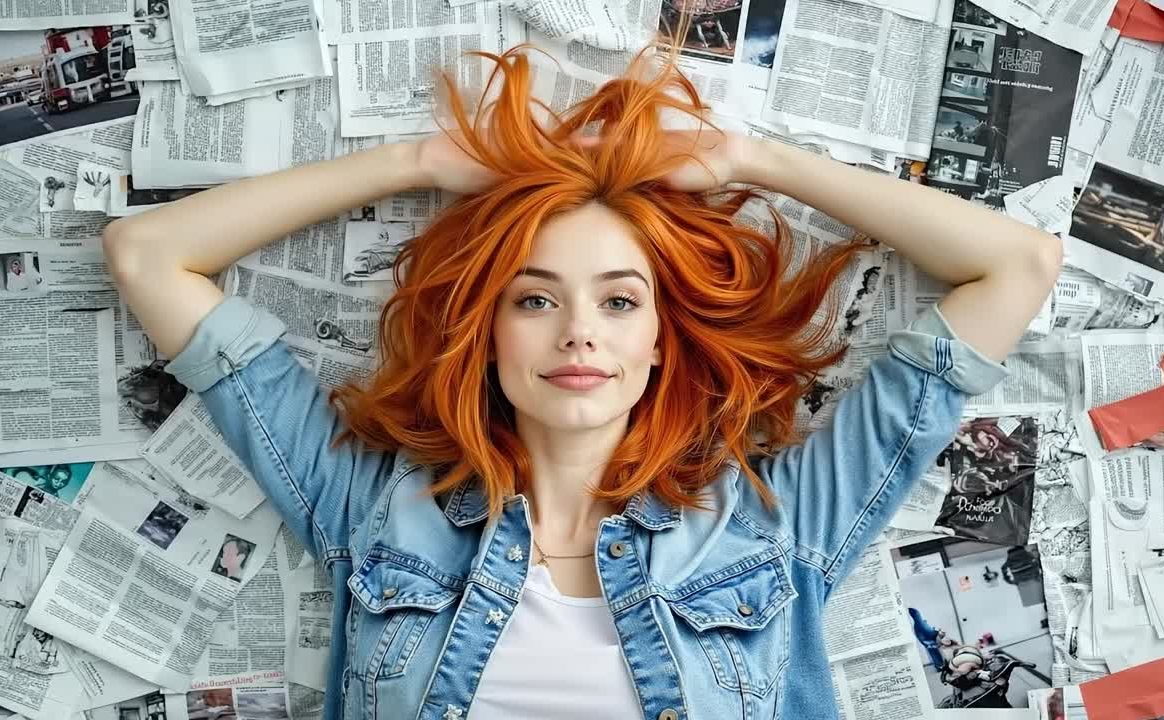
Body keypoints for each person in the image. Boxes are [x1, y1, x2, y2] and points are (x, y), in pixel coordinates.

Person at [103, 30, 1060, 720]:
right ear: (486, 334)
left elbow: (1016, 267)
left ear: (658, 341)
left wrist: (750, 159)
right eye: (533, 300)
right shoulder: (371, 511)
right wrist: (424, 160)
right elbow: (149, 255)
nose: (576, 336)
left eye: (617, 301)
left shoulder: (776, 529)